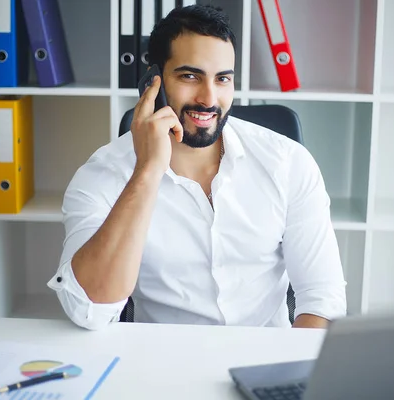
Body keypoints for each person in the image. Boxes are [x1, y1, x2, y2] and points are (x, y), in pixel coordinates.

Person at [47, 5, 346, 331]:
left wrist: (298, 377)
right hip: (163, 366)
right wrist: (147, 171)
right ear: (153, 82)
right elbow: (88, 310)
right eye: (190, 76)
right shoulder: (103, 175)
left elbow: (322, 297)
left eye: (222, 79)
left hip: (265, 362)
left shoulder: (289, 163)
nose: (208, 98)